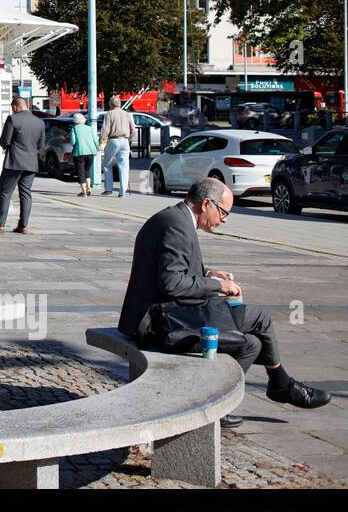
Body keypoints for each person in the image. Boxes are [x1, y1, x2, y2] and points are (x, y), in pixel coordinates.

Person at [118, 177, 329, 425]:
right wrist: (219, 286)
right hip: (158, 323)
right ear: (206, 203)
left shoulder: (174, 218)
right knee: (260, 317)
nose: (225, 219)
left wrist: (209, 274)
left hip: (163, 313)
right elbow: (172, 284)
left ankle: (218, 403)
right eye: (224, 212)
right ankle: (280, 384)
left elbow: (170, 273)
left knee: (251, 344)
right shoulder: (177, 226)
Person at [0, 96, 44, 234]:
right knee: (26, 194)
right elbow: (41, 145)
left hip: (14, 162)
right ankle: (23, 225)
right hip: (31, 163)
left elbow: (5, 141)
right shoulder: (39, 122)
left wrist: (4, 142)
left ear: (16, 106)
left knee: (5, 192)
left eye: (13, 108)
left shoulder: (13, 119)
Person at [100, 95, 134, 197]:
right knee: (124, 166)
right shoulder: (127, 114)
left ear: (110, 104)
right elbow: (133, 130)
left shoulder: (109, 114)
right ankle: (122, 191)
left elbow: (105, 130)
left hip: (113, 140)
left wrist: (101, 142)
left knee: (107, 164)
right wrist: (129, 139)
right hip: (125, 141)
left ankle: (109, 189)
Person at [70, 112, 99, 197]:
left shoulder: (74, 129)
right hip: (91, 152)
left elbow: (73, 142)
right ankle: (89, 188)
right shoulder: (89, 128)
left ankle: (84, 192)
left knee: (80, 172)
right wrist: (98, 146)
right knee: (87, 171)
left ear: (75, 121)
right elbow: (95, 140)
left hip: (79, 152)